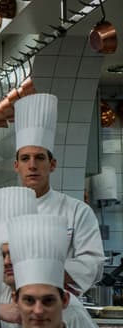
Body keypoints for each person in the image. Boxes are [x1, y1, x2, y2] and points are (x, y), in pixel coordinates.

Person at [0, 187, 106, 328]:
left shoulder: (68, 310)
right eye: (1, 255)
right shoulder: (5, 294)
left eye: (13, 254)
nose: (7, 261)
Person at [13, 93, 104, 295]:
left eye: (39, 158)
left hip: (61, 308)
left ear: (52, 165)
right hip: (9, 310)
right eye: (25, 158)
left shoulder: (77, 210)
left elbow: (93, 262)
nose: (33, 165)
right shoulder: (1, 210)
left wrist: (46, 274)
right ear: (16, 166)